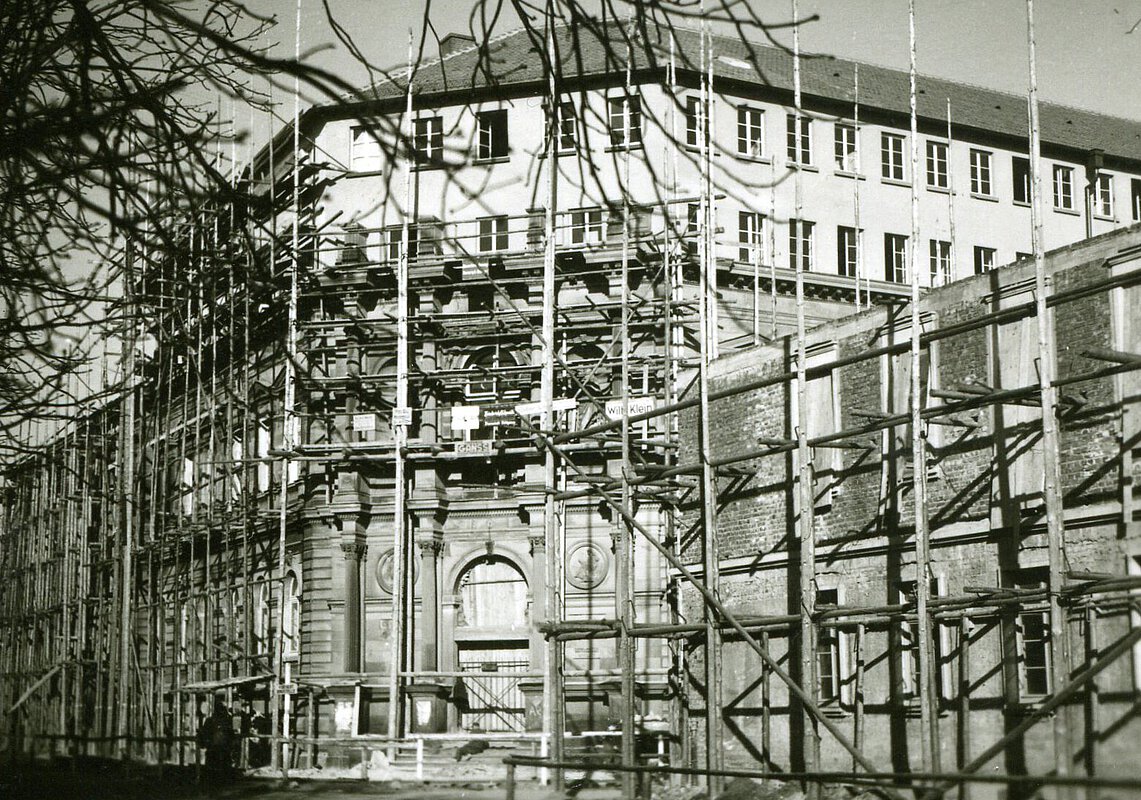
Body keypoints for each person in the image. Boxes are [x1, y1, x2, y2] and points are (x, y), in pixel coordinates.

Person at [196, 697, 235, 783]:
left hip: (213, 748)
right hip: (222, 749)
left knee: (212, 768)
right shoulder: (226, 721)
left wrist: (203, 743)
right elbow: (231, 735)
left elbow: (204, 733)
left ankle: (212, 781)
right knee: (222, 767)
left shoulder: (210, 720)